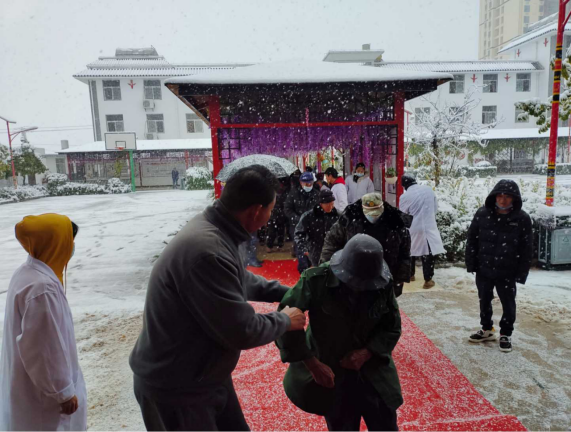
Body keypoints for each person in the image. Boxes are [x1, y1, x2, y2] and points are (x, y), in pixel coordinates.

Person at [129, 165, 306, 431]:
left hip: (204, 374)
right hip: (177, 387)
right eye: (271, 209)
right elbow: (242, 330)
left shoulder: (218, 230)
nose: (270, 217)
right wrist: (284, 320)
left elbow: (238, 278)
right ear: (256, 211)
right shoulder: (207, 251)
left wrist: (288, 292)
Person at [276, 234, 402, 431]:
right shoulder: (316, 280)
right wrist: (313, 364)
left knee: (385, 423)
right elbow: (284, 323)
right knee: (342, 424)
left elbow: (392, 327)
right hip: (332, 370)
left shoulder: (382, 281)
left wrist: (367, 352)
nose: (362, 289)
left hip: (373, 370)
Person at [0, 214, 86, 431]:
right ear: (55, 243)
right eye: (69, 241)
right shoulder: (42, 288)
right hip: (43, 397)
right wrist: (63, 392)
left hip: (28, 386)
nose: (71, 247)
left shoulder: (27, 273)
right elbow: (42, 347)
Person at [465, 179, 533, 353]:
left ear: (514, 198)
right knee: (484, 299)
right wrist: (471, 263)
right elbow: (472, 240)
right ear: (494, 197)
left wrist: (522, 272)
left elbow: (526, 248)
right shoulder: (482, 214)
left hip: (507, 270)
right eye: (500, 196)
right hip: (484, 268)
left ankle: (506, 333)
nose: (503, 200)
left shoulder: (522, 218)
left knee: (508, 303)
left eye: (507, 196)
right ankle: (487, 328)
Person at [320, 192, 411, 297]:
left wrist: (400, 278)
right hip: (354, 276)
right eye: (369, 213)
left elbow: (404, 252)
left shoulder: (396, 223)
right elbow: (331, 242)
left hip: (386, 275)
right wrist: (326, 267)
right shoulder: (349, 220)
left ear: (382, 208)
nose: (373, 216)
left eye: (376, 213)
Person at [399, 175, 446, 289]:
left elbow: (403, 215)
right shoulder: (428, 190)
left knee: (410, 251)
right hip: (429, 226)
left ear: (404, 186)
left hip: (413, 228)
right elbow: (435, 208)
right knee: (428, 253)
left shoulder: (405, 196)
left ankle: (410, 275)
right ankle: (428, 280)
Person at [294, 188, 339, 274]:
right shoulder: (308, 216)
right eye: (328, 204)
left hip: (333, 252)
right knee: (319, 274)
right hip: (315, 252)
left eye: (332, 204)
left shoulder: (337, 215)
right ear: (321, 204)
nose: (330, 206)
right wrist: (304, 248)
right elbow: (299, 233)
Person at [284, 171, 320, 256]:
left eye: (310, 183)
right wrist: (298, 219)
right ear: (301, 182)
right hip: (296, 226)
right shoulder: (293, 194)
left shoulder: (317, 194)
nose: (308, 185)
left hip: (313, 226)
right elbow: (287, 209)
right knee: (300, 250)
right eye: (306, 183)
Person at [266, 177, 290, 253]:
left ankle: (280, 246)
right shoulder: (271, 192)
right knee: (272, 232)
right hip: (273, 215)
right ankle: (269, 245)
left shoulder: (284, 193)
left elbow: (286, 204)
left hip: (281, 215)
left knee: (281, 232)